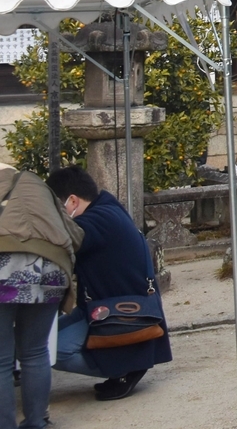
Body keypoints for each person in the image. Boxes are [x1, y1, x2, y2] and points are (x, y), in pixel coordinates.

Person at [47, 166, 171, 401]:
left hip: (121, 314)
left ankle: (124, 368)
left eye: (55, 208)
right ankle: (120, 367)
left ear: (72, 201)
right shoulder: (106, 209)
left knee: (52, 351)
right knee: (46, 335)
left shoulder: (97, 220)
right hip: (104, 305)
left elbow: (64, 238)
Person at [0, 163, 83, 427]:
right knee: (35, 352)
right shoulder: (36, 184)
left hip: (5, 266)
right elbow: (73, 232)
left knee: (1, 360)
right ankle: (37, 422)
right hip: (52, 266)